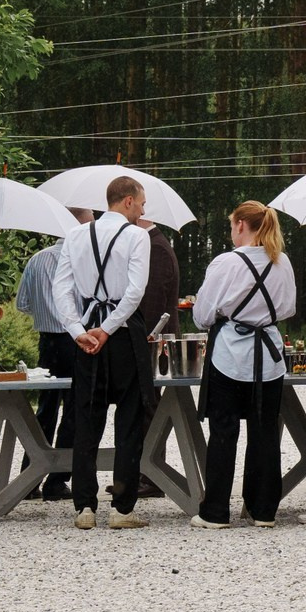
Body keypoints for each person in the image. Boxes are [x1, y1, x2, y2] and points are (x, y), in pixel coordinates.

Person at [51, 175, 154, 530]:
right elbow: (135, 291)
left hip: (87, 337)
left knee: (86, 420)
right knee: (129, 421)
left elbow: (60, 290)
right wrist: (107, 329)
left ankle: (84, 507)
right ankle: (122, 509)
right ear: (126, 201)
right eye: (141, 203)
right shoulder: (138, 236)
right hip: (123, 335)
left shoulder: (76, 235)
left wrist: (79, 331)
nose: (143, 210)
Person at [191, 201, 296, 528]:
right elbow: (288, 309)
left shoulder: (225, 263)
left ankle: (216, 512)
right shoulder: (282, 262)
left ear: (240, 225)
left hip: (230, 356)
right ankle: (263, 510)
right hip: (269, 357)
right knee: (265, 432)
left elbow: (201, 316)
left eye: (231, 225)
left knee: (224, 432)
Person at [15, 206, 97, 501]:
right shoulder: (83, 261)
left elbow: (22, 304)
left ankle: (29, 478)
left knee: (45, 409)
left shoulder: (37, 260)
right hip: (77, 339)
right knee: (76, 410)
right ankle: (58, 480)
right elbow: (91, 303)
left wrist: (44, 311)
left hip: (46, 341)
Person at [123, 208, 183, 504]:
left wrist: (139, 338)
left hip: (152, 341)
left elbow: (154, 303)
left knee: (150, 407)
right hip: (147, 340)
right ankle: (141, 472)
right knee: (144, 407)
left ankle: (150, 475)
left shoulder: (156, 248)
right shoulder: (150, 244)